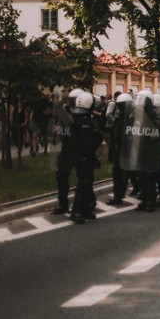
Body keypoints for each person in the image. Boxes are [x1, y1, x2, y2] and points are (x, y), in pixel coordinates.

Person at [68, 91, 103, 223]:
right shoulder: (85, 122)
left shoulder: (77, 119)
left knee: (88, 182)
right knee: (83, 183)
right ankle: (76, 211)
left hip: (79, 156)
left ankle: (85, 209)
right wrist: (98, 137)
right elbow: (87, 144)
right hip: (83, 157)